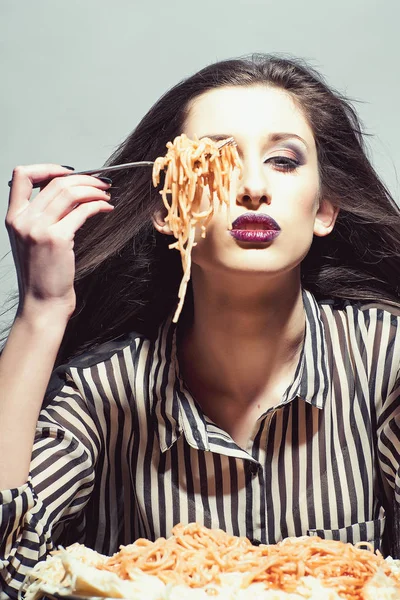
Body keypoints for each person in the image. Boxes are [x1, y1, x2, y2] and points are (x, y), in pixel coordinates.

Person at [1, 54, 400, 598]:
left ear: (324, 210)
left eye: (284, 161)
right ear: (168, 208)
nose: (253, 187)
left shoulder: (385, 361)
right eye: (217, 161)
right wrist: (41, 311)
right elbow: (8, 562)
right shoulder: (104, 394)